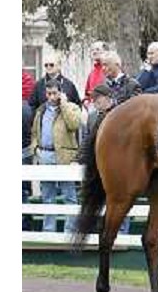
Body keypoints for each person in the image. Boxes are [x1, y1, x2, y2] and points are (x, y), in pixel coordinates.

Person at [76, 84, 131, 235]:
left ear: (108, 98)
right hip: (98, 164)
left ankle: (122, 231)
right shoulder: (93, 116)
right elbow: (88, 138)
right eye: (93, 99)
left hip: (119, 163)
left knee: (120, 198)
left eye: (97, 98)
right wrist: (80, 157)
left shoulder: (122, 114)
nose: (94, 102)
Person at [30, 79, 82, 233]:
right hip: (45, 155)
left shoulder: (71, 107)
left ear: (61, 92)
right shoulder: (41, 110)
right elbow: (34, 133)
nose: (52, 97)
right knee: (47, 196)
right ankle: (48, 231)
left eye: (55, 93)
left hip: (64, 156)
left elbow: (74, 124)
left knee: (69, 196)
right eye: (49, 93)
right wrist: (36, 149)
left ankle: (70, 231)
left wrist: (64, 104)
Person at [83, 40, 108, 107]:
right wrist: (86, 101)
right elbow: (87, 94)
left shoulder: (110, 69)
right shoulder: (91, 74)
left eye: (97, 49)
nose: (94, 52)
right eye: (92, 50)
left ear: (105, 51)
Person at [22, 98, 34, 231]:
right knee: (24, 191)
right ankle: (25, 223)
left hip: (24, 150)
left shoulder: (25, 109)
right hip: (26, 150)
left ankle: (25, 223)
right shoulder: (27, 108)